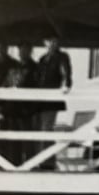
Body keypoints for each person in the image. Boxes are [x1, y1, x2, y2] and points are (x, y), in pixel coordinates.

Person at [36, 36, 72, 168]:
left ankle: (47, 161)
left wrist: (66, 86)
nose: (50, 43)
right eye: (48, 40)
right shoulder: (42, 59)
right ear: (44, 42)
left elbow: (66, 74)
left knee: (46, 128)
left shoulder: (62, 57)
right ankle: (42, 159)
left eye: (53, 40)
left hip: (51, 99)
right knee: (40, 129)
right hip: (39, 99)